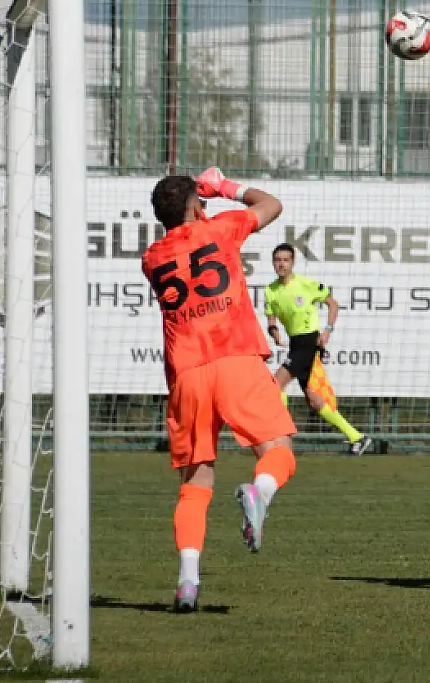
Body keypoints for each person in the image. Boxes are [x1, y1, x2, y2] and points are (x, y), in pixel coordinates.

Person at [141, 168, 298, 613]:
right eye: (201, 201)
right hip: (236, 359)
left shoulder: (152, 257)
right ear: (196, 206)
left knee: (195, 484)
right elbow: (270, 205)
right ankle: (259, 493)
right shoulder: (221, 228)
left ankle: (188, 583)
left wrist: (194, 201)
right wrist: (225, 187)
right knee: (278, 450)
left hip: (188, 373)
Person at [264, 243, 374, 456]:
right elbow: (271, 316)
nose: (281, 264)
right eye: (278, 260)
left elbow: (333, 304)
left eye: (286, 260)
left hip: (308, 342)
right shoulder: (271, 290)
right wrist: (274, 330)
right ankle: (357, 438)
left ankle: (281, 435)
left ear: (293, 262)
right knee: (314, 399)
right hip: (295, 343)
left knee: (275, 386)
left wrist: (327, 330)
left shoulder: (306, 284)